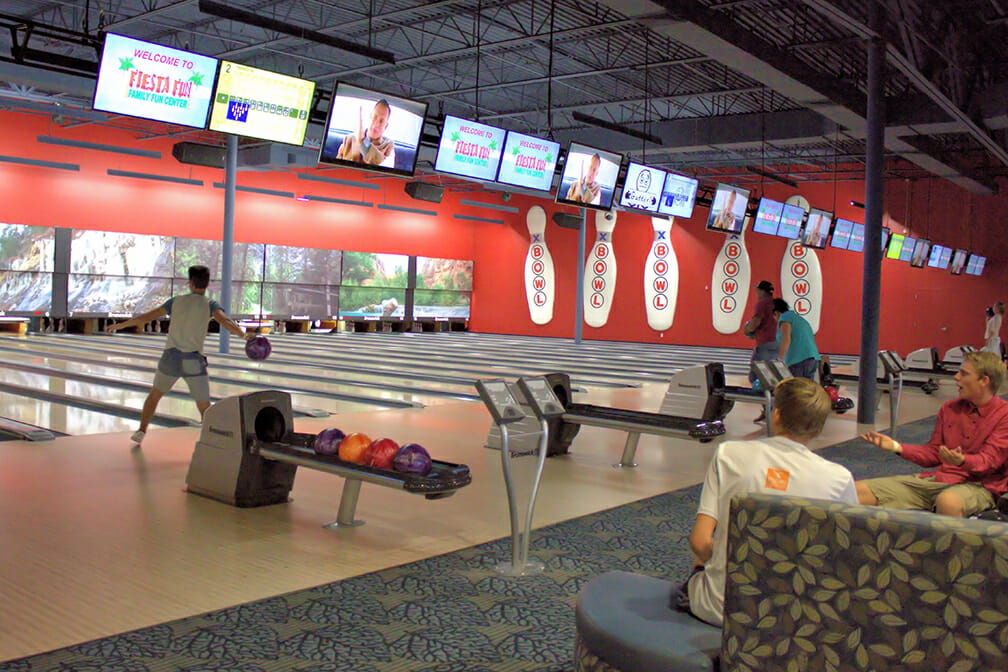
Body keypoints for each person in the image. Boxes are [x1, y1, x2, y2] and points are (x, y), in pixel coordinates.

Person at [675, 377, 857, 627]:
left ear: (776, 415)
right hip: (796, 618)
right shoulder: (840, 478)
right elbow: (846, 555)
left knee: (702, 557)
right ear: (818, 428)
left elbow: (699, 541)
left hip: (721, 609)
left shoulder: (729, 454)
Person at [106, 265, 253, 446]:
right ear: (207, 285)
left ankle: (141, 431)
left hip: (171, 358)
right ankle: (214, 439)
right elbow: (226, 321)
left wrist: (119, 326)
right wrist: (244, 335)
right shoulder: (210, 304)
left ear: (190, 283)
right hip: (193, 361)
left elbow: (146, 317)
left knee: (154, 396)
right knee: (204, 406)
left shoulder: (175, 301)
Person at [856, 350, 1008, 517]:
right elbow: (934, 453)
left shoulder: (1004, 415)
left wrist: (962, 460)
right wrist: (895, 446)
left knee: (948, 502)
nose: (956, 377)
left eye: (964, 374)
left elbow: (988, 461)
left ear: (984, 381)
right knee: (858, 491)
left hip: (980, 486)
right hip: (937, 481)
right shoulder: (950, 408)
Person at [742, 280, 779, 420]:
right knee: (772, 376)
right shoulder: (776, 303)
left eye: (758, 290)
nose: (756, 293)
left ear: (762, 292)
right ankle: (772, 410)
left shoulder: (762, 304)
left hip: (765, 345)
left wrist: (747, 329)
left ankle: (769, 410)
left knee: (756, 377)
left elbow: (756, 322)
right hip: (777, 344)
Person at [335, 99, 395, 167]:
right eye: (374, 117)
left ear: (386, 126)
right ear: (370, 116)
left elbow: (383, 166)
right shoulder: (349, 139)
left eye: (381, 121)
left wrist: (362, 141)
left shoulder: (388, 145)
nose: (376, 124)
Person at [772, 298, 820, 380]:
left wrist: (779, 359)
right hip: (812, 359)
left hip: (798, 361)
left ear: (776, 313)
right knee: (806, 390)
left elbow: (786, 339)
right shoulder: (797, 318)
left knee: (796, 390)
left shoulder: (784, 318)